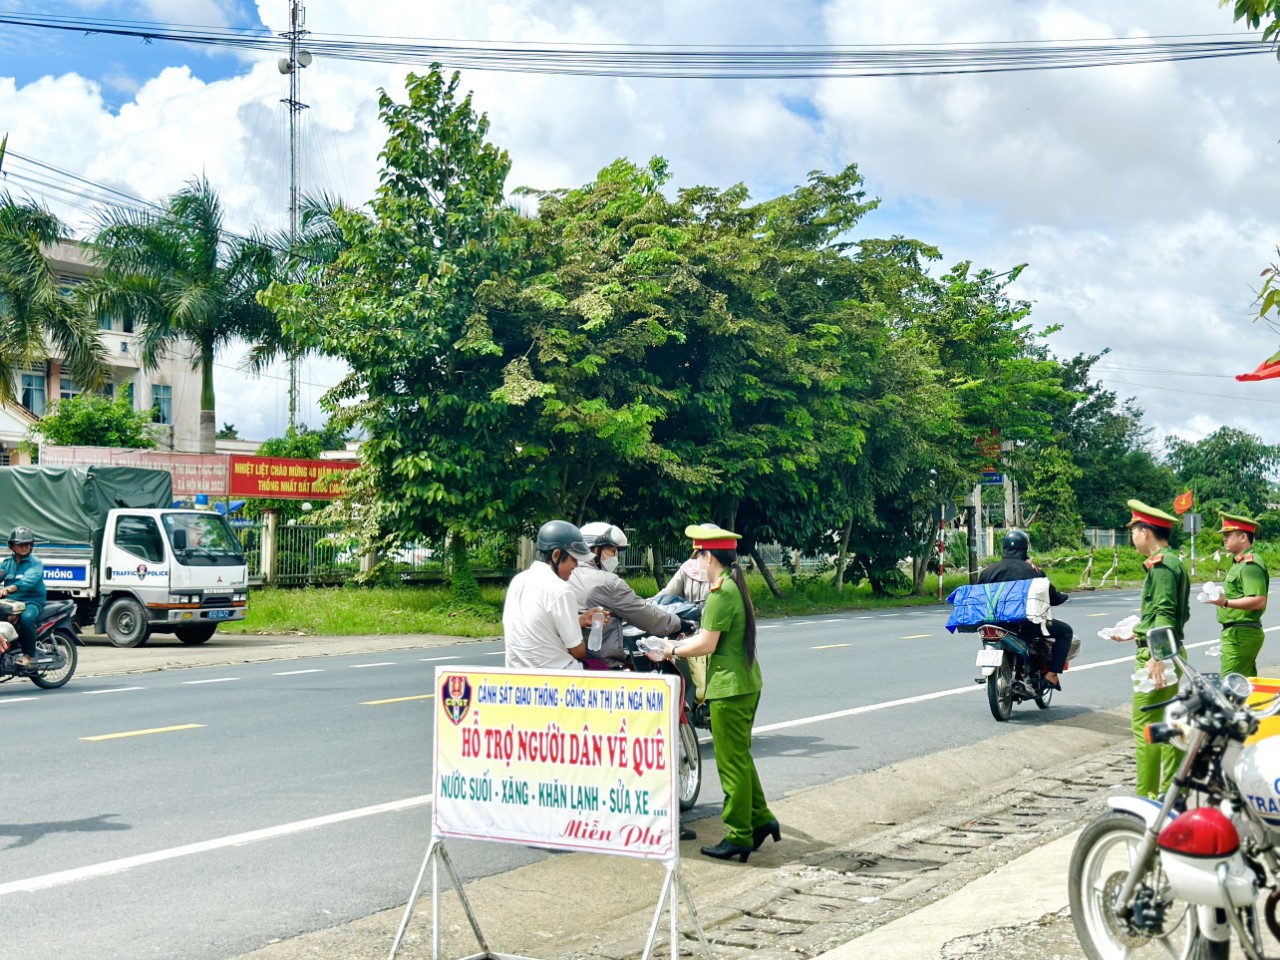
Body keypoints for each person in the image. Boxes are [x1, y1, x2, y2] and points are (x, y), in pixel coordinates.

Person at [663, 523, 778, 863]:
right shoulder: (732, 586)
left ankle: (739, 835)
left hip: (729, 689)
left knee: (730, 763)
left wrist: (669, 649)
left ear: (708, 556)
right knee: (741, 757)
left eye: (698, 554)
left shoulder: (720, 594)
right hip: (744, 683)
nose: (695, 561)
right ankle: (759, 818)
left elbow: (705, 643)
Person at [1108, 500, 1190, 800]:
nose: (1132, 537)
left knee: (1146, 727)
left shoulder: (1162, 566)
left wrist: (1156, 656)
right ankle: (1170, 793)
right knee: (1168, 724)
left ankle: (1147, 797)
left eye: (1133, 530)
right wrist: (1137, 631)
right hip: (1169, 650)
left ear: (1145, 532)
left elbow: (1167, 612)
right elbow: (1164, 613)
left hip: (1159, 655)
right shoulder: (1172, 561)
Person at [570, 522, 687, 668]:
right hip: (600, 665)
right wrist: (680, 623)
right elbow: (647, 616)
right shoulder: (608, 582)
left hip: (569, 661)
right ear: (595, 550)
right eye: (612, 550)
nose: (615, 556)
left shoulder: (565, 574)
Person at [976, 529, 1073, 691]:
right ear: (1025, 549)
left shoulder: (988, 571)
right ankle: (1052, 674)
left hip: (994, 623)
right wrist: (1061, 597)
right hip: (1025, 624)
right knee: (1066, 632)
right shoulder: (1032, 570)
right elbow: (1051, 595)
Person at [503, 520, 603, 671]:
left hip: (517, 672)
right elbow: (578, 651)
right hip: (558, 675)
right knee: (603, 666)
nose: (575, 566)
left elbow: (541, 624)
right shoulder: (561, 590)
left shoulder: (519, 581)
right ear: (556, 555)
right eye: (573, 559)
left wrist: (580, 620)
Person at [1207, 511, 1268, 678]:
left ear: (1243, 537)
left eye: (1228, 534)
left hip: (1242, 634)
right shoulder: (1239, 563)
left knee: (1229, 691)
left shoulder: (1250, 564)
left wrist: (1225, 602)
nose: (1224, 538)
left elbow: (1258, 600)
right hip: (1237, 633)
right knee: (1246, 691)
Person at [0, 526, 44, 669]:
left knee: (27, 618)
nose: (25, 547)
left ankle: (28, 656)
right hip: (11, 603)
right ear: (12, 546)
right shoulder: (7, 563)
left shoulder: (35, 563)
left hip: (32, 601)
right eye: (20, 544)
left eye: (27, 543)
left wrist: (8, 589)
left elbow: (28, 581)